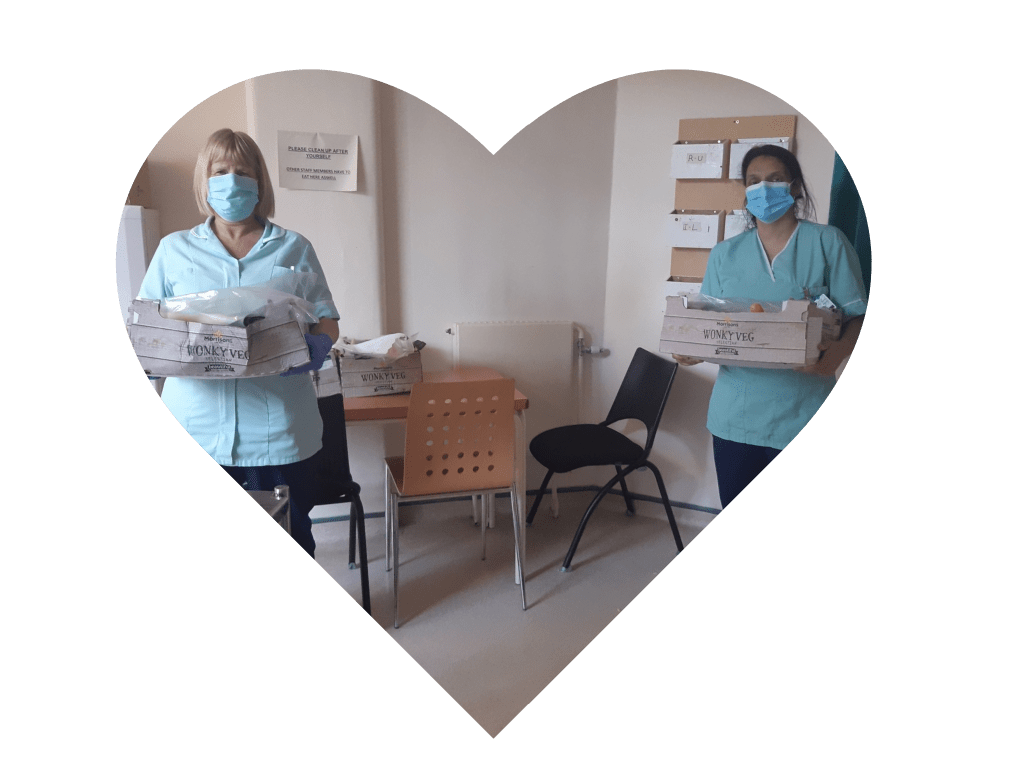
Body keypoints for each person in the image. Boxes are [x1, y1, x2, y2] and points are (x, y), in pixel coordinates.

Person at [138, 129, 340, 558]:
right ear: (204, 180)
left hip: (280, 435)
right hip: (195, 431)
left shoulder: (293, 248)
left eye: (243, 171)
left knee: (290, 543)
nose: (232, 181)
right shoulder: (174, 251)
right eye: (220, 171)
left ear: (259, 182)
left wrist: (313, 349)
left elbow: (326, 320)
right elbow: (146, 329)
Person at [674, 145, 867, 510]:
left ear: (795, 187)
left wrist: (835, 356)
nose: (764, 188)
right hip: (735, 418)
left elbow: (858, 316)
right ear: (745, 191)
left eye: (775, 179)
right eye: (754, 181)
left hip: (804, 413)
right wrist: (690, 349)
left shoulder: (828, 243)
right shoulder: (725, 254)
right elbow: (707, 322)